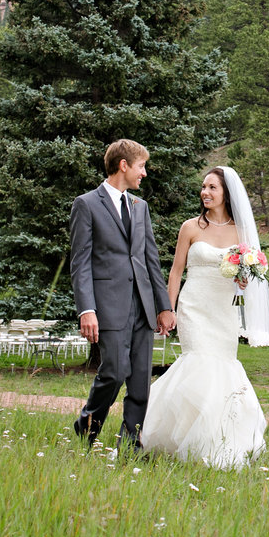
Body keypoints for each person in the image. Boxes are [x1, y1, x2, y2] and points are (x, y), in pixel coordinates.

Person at [140, 165, 269, 469]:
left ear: (226, 193)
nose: (205, 192)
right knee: (198, 363)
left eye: (212, 187)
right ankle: (179, 440)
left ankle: (217, 441)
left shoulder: (241, 232)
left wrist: (243, 280)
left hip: (224, 310)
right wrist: (167, 309)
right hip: (194, 308)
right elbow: (175, 272)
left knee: (221, 369)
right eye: (203, 187)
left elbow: (248, 274)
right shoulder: (190, 227)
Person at [70, 139, 175, 452]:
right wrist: (86, 309)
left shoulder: (140, 207)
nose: (144, 173)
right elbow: (80, 263)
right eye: (141, 166)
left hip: (142, 307)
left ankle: (131, 446)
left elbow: (150, 261)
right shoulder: (86, 204)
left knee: (141, 382)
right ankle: (86, 428)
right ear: (124, 165)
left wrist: (164, 307)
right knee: (114, 372)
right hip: (108, 306)